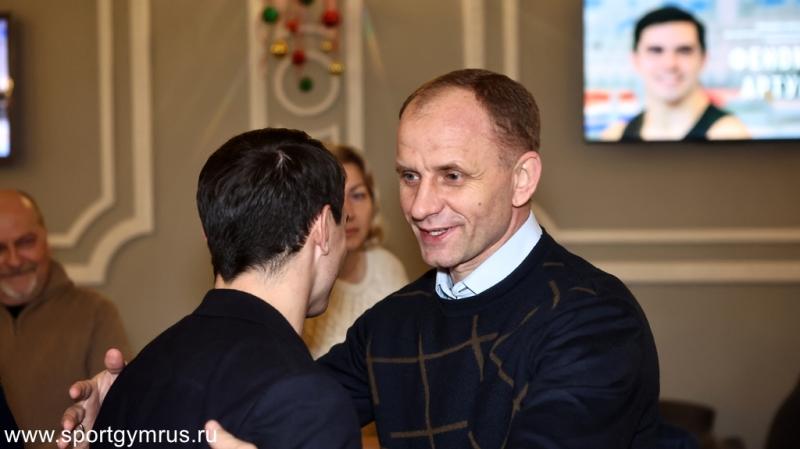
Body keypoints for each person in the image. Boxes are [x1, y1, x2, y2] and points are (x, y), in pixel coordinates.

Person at [62, 70, 660, 449]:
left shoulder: (593, 320)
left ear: (522, 177)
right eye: (409, 176)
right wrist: (131, 402)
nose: (420, 206)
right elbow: (266, 401)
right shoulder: (394, 321)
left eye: (451, 176)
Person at [86, 128, 360, 448]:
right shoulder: (309, 402)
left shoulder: (133, 380)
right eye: (344, 221)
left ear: (209, 235)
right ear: (323, 228)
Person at [0, 189, 130, 449]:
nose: (13, 261)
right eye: (0, 248)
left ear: (46, 240)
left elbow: (120, 419)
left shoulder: (95, 312)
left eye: (25, 242)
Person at [303, 144, 408, 360]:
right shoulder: (302, 285)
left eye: (358, 195)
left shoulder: (389, 266)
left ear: (373, 201)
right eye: (335, 198)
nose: (348, 212)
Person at [603, 6, 749, 141]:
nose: (670, 64)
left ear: (703, 59)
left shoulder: (728, 135)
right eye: (656, 50)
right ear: (635, 60)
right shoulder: (616, 136)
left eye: (684, 51)